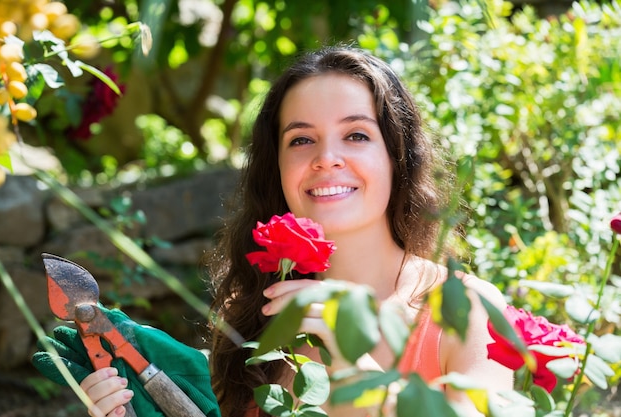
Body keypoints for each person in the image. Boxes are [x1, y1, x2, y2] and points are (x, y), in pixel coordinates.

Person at [36, 46, 513, 417]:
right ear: (278, 169)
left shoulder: (467, 311)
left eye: (356, 135)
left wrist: (353, 363)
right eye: (301, 139)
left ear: (397, 156)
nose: (326, 157)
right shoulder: (251, 317)